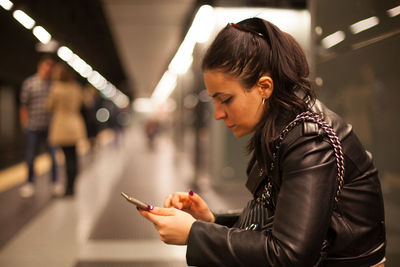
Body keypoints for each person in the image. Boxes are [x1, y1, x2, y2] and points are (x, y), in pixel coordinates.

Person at [138, 18, 386, 266]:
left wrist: (195, 233)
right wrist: (210, 221)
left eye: (225, 99)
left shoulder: (310, 140)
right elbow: (283, 220)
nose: (218, 114)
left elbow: (289, 255)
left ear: (264, 87)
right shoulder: (288, 128)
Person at [19, 55, 61, 198]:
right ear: (40, 67)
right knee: (30, 157)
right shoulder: (29, 83)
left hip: (50, 128)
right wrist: (25, 124)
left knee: (54, 157)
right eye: (46, 68)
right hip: (33, 127)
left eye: (51, 69)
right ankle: (30, 183)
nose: (48, 71)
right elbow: (24, 106)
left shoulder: (55, 85)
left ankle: (55, 183)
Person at [46, 63, 87, 196]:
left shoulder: (56, 88)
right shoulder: (76, 88)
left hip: (62, 125)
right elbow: (85, 103)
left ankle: (67, 188)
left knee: (65, 158)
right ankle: (72, 186)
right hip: (75, 124)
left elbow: (49, 106)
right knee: (73, 157)